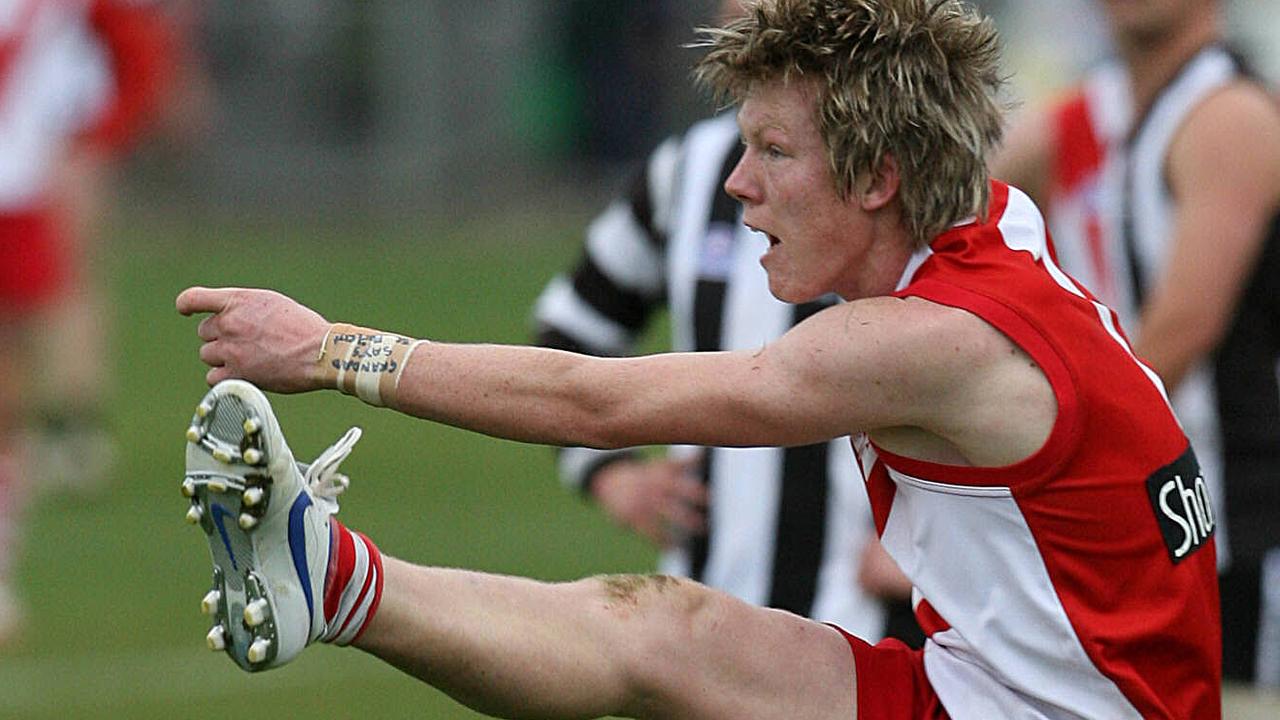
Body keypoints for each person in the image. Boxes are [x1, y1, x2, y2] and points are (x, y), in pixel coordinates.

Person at [176, 1, 1221, 717]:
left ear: (876, 179)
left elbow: (593, 399)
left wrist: (324, 349)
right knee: (667, 631)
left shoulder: (924, 341)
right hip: (980, 688)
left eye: (771, 152)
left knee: (665, 651)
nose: (733, 185)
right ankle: (327, 575)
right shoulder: (996, 223)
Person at [532, 0, 917, 647]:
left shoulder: (916, 170)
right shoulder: (690, 170)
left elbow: (1025, 377)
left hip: (876, 633)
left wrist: (953, 538)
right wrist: (609, 474)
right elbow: (571, 326)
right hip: (706, 625)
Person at [992, 0, 1280, 687]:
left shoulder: (1229, 113)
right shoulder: (1097, 109)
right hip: (1165, 515)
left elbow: (1180, 335)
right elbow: (951, 196)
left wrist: (1035, 470)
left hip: (1247, 522)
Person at [0, 0, 174, 647]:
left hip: (26, 178)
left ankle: (72, 428)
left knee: (29, 347)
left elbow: (136, 52)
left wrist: (99, 135)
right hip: (26, 173)